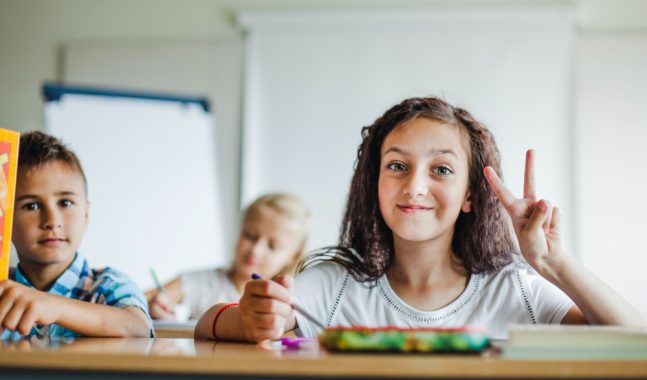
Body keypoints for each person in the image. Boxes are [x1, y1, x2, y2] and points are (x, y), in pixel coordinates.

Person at [195, 97, 645, 342]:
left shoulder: (516, 290)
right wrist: (248, 320)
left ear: (470, 195)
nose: (414, 186)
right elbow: (205, 324)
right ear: (375, 183)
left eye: (442, 170)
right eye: (397, 166)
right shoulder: (334, 284)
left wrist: (554, 264)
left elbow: (633, 343)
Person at [0, 131, 151, 339]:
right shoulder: (2, 291)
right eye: (31, 205)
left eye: (65, 203)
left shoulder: (109, 285)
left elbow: (137, 327)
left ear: (86, 214)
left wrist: (53, 305)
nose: (52, 221)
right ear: (5, 220)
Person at [146, 193, 309, 321]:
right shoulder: (204, 283)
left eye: (273, 246)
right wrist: (154, 305)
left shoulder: (294, 302)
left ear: (293, 256)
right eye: (250, 235)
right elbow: (136, 300)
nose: (256, 250)